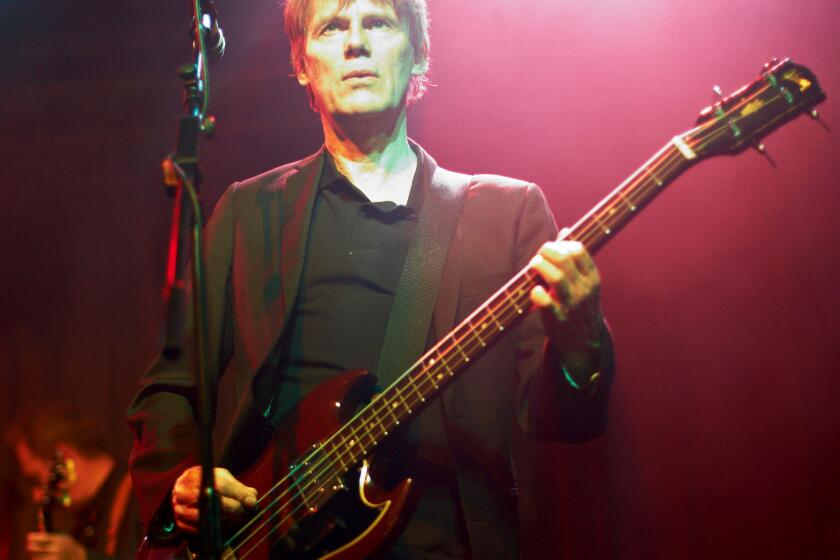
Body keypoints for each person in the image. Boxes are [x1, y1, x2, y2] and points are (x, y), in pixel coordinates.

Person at [127, 0, 615, 558]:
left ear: (418, 53)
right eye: (332, 26)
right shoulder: (249, 213)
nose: (355, 43)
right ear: (302, 64)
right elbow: (167, 389)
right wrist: (183, 480)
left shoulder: (506, 215)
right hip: (267, 543)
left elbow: (561, 420)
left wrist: (582, 343)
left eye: (378, 23)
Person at [6, 405, 141, 560]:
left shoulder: (143, 495)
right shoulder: (84, 524)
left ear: (62, 459)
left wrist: (81, 557)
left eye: (36, 480)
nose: (36, 496)